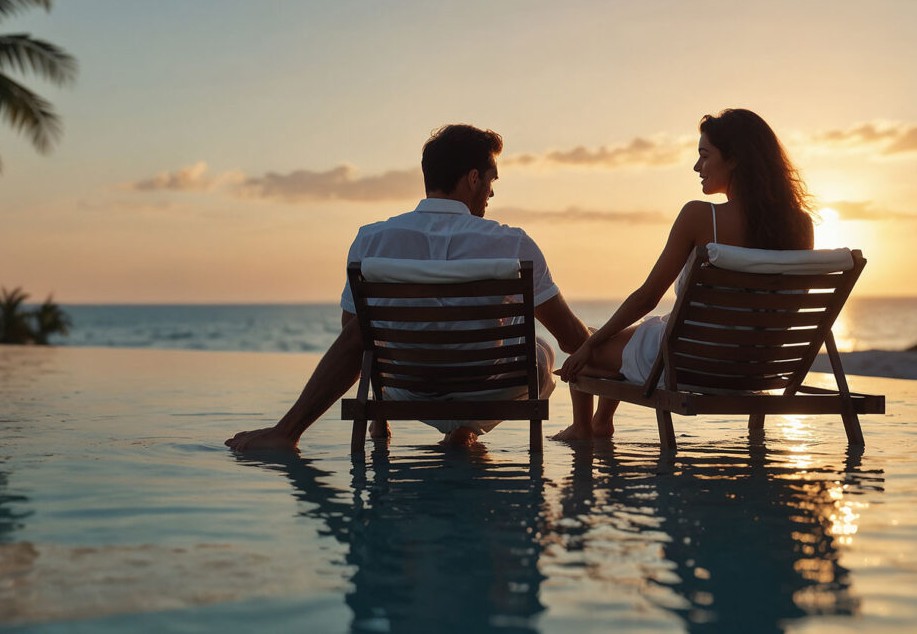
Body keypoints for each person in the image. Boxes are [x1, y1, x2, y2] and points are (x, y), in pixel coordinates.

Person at [226, 124, 592, 451]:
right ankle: (466, 428)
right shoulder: (514, 244)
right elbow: (571, 339)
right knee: (541, 348)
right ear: (474, 178)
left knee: (365, 330)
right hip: (487, 391)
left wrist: (374, 410)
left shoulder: (371, 240)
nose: (492, 195)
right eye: (492, 182)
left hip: (405, 388)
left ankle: (288, 432)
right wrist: (610, 338)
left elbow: (353, 335)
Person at [553, 109, 814, 440]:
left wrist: (590, 343)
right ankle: (600, 422)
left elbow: (647, 297)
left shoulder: (699, 216)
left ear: (733, 159)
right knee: (606, 348)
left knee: (585, 345)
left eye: (704, 156)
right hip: (761, 367)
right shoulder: (800, 226)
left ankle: (584, 427)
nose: (697, 167)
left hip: (690, 364)